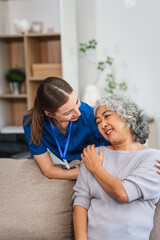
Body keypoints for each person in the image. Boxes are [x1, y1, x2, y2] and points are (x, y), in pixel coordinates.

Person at [73, 95, 160, 240]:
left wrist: (96, 168)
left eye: (107, 116)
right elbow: (80, 201)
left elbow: (123, 193)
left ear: (128, 117)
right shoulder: (93, 154)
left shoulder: (152, 158)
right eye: (98, 121)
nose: (102, 124)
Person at [23, 76, 110, 180]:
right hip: (82, 169)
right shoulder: (32, 122)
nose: (78, 113)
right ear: (50, 114)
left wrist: (95, 168)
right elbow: (48, 170)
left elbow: (114, 150)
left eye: (77, 101)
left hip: (100, 164)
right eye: (68, 112)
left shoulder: (89, 115)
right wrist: (84, 171)